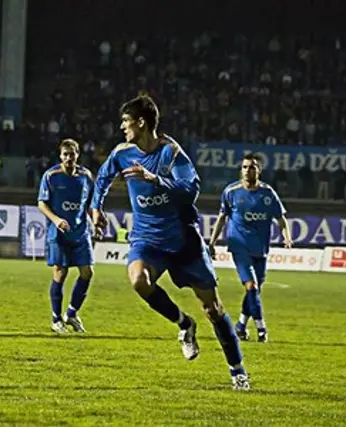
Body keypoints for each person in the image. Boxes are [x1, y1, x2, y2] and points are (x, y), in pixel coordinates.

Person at [90, 95, 250, 391]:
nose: (122, 127)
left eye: (126, 121)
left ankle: (237, 370)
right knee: (138, 280)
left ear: (141, 122)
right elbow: (102, 178)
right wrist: (96, 208)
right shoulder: (122, 153)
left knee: (213, 308)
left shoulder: (171, 153)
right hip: (147, 239)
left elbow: (191, 190)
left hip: (182, 240)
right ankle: (184, 324)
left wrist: (155, 179)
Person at [208, 154, 292, 343]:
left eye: (252, 167)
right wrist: (212, 242)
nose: (248, 170)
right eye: (245, 167)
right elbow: (222, 218)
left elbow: (281, 218)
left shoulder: (268, 193)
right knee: (251, 286)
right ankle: (262, 329)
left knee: (254, 290)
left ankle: (240, 326)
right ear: (241, 169)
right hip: (239, 246)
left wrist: (287, 237)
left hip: (260, 248)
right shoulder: (231, 191)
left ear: (259, 170)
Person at [38, 139, 97, 333]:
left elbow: (91, 202)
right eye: (65, 154)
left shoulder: (86, 176)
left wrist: (97, 216)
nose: (68, 158)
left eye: (72, 154)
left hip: (81, 232)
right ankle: (56, 320)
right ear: (60, 156)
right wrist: (56, 220)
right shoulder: (51, 176)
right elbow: (41, 203)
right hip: (59, 233)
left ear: (77, 154)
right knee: (60, 273)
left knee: (87, 272)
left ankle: (71, 314)